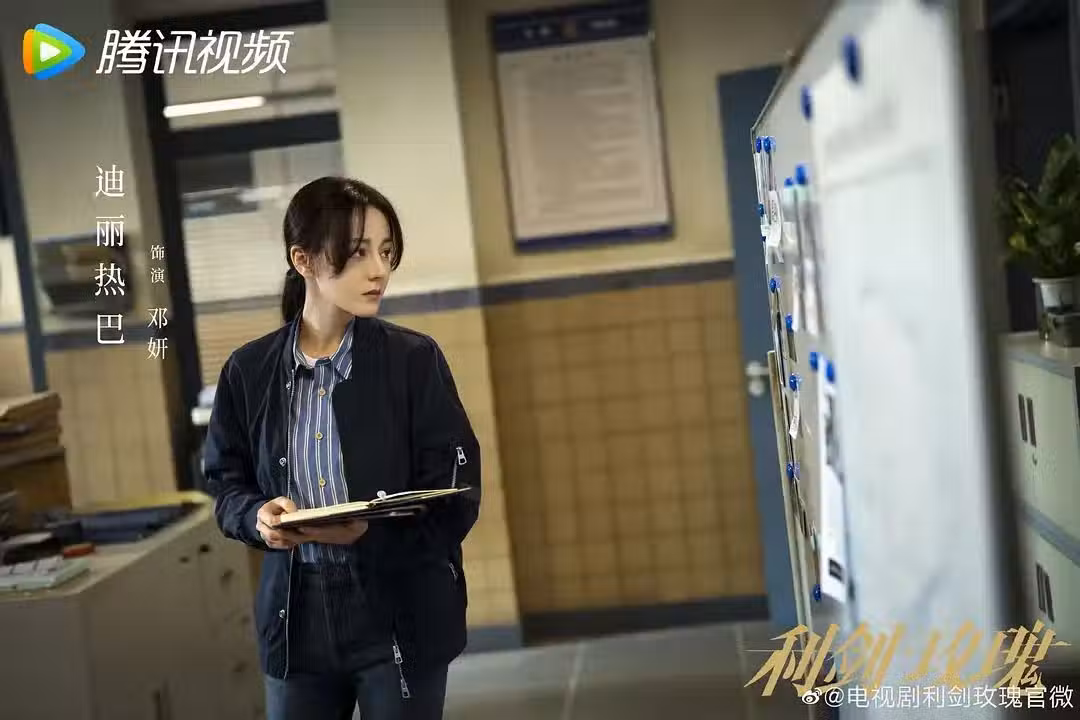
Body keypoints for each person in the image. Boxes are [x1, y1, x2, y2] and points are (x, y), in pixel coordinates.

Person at [203, 176, 480, 720]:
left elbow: (457, 494)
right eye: (357, 253)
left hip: (398, 610)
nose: (378, 270)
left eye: (385, 252)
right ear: (302, 259)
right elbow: (225, 484)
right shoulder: (249, 371)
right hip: (296, 615)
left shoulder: (413, 360)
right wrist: (258, 517)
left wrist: (371, 535)